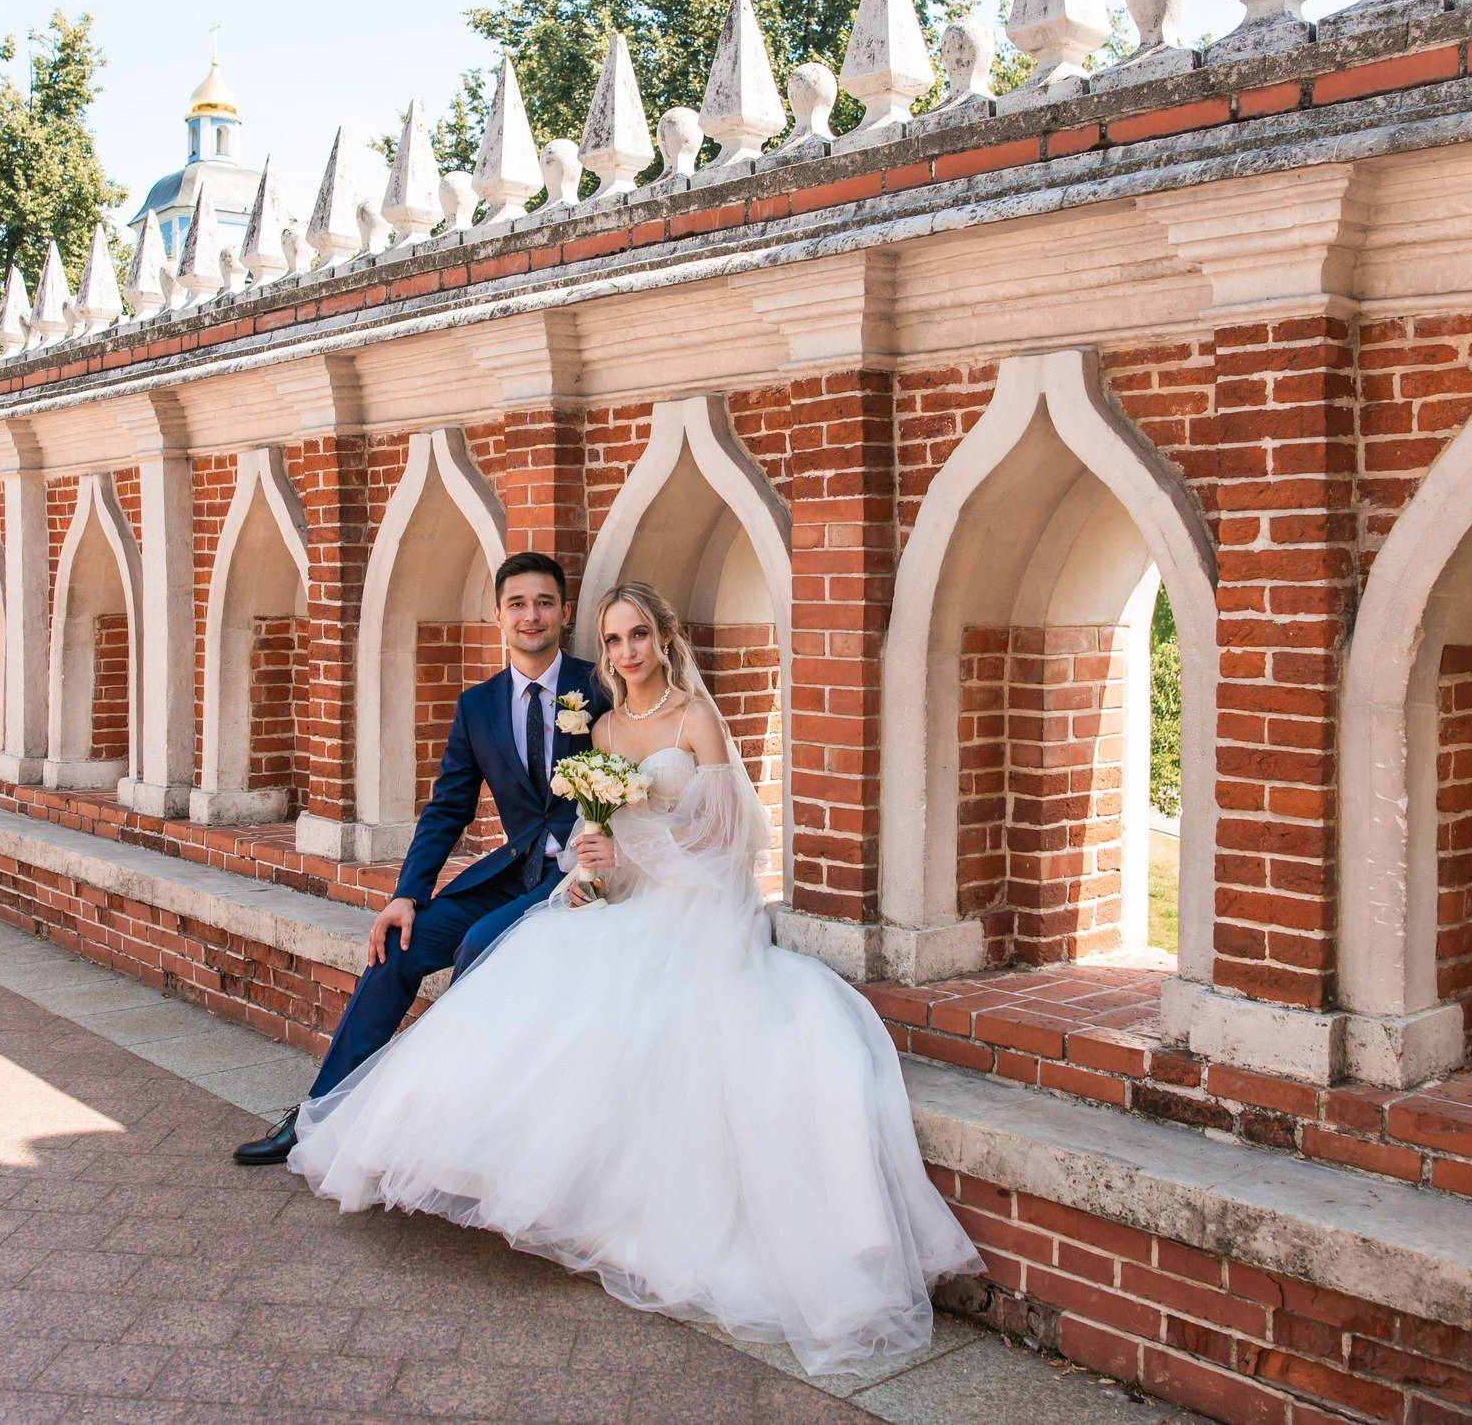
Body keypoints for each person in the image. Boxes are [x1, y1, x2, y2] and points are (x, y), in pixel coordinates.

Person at [286, 580, 982, 1375]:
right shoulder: (608, 725)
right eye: (614, 640)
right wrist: (587, 873)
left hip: (704, 913)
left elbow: (729, 842)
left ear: (663, 637)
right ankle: (456, 1151)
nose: (625, 653)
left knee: (641, 1010)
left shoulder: (694, 716)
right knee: (542, 963)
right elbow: (600, 832)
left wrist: (635, 854)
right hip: (631, 901)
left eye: (638, 636)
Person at [232, 552, 609, 1167]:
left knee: (477, 948)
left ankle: (443, 1131)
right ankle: (316, 1115)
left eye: (544, 603)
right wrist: (406, 893)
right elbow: (446, 810)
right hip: (510, 873)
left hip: (575, 878)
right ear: (497, 617)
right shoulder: (478, 706)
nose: (531, 616)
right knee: (396, 948)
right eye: (517, 604)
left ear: (565, 613)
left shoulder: (599, 687)